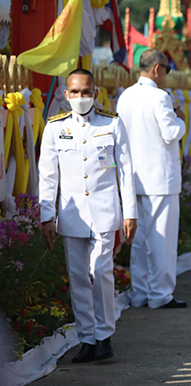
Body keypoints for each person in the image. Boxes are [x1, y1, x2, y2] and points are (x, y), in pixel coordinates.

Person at [39, 68, 137, 363]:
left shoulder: (111, 124)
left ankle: (104, 336)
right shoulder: (55, 128)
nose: (80, 97)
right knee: (79, 277)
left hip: (105, 212)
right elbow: (47, 176)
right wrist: (47, 216)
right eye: (75, 92)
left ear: (95, 93)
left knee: (101, 272)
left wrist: (130, 212)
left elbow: (126, 171)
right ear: (65, 95)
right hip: (71, 216)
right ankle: (87, 339)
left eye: (86, 92)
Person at [116, 49, 188, 309]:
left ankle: (141, 294)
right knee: (162, 242)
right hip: (160, 179)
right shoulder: (160, 97)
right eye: (166, 70)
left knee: (140, 241)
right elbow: (170, 133)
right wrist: (181, 120)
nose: (167, 76)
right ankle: (160, 295)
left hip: (134, 178)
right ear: (157, 69)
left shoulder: (125, 96)